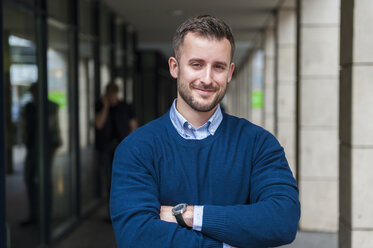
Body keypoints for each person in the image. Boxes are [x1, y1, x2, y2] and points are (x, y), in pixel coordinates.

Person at [110, 15, 300, 248]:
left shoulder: (258, 144)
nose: (207, 78)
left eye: (218, 67)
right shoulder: (137, 148)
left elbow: (283, 220)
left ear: (230, 73)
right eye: (196, 64)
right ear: (175, 67)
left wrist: (189, 215)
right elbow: (136, 237)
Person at [21, 82, 61, 226]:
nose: (34, 96)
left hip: (46, 146)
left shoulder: (50, 106)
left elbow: (51, 126)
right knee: (30, 178)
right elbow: (26, 125)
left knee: (44, 178)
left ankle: (46, 212)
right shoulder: (30, 107)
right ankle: (34, 213)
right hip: (33, 146)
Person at [95, 82, 137, 203]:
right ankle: (112, 209)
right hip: (105, 147)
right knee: (109, 179)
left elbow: (133, 126)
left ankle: (124, 205)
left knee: (124, 178)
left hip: (122, 146)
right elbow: (99, 124)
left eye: (114, 95)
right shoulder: (100, 105)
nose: (112, 98)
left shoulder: (125, 107)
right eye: (110, 95)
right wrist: (105, 106)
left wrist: (129, 146)